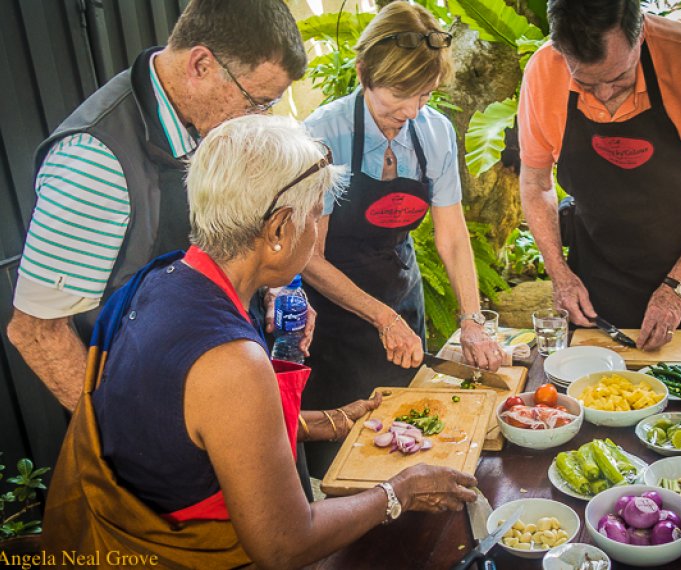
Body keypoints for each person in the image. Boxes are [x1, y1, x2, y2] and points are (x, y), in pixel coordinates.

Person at [41, 115, 478, 568]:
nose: (315, 230)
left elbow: (192, 425)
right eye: (314, 215)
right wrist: (399, 492)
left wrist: (324, 422)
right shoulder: (232, 361)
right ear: (278, 231)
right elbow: (284, 544)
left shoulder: (158, 279)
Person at [6, 0, 308, 411]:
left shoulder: (211, 121)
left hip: (230, 386)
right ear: (201, 65)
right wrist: (119, 443)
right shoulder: (95, 159)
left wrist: (274, 285)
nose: (259, 118)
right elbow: (37, 332)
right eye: (255, 101)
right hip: (153, 419)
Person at [301, 3, 502, 474]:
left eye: (426, 95)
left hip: (401, 302)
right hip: (335, 323)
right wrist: (380, 317)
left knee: (410, 447)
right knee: (346, 467)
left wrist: (471, 320)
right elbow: (309, 257)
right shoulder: (321, 134)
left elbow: (451, 237)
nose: (412, 111)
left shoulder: (434, 133)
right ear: (363, 71)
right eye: (400, 93)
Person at [517, 0, 681, 350]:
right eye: (587, 84)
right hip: (602, 261)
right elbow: (536, 183)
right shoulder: (544, 73)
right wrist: (560, 274)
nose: (605, 94)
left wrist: (677, 287)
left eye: (619, 77)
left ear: (640, 33)